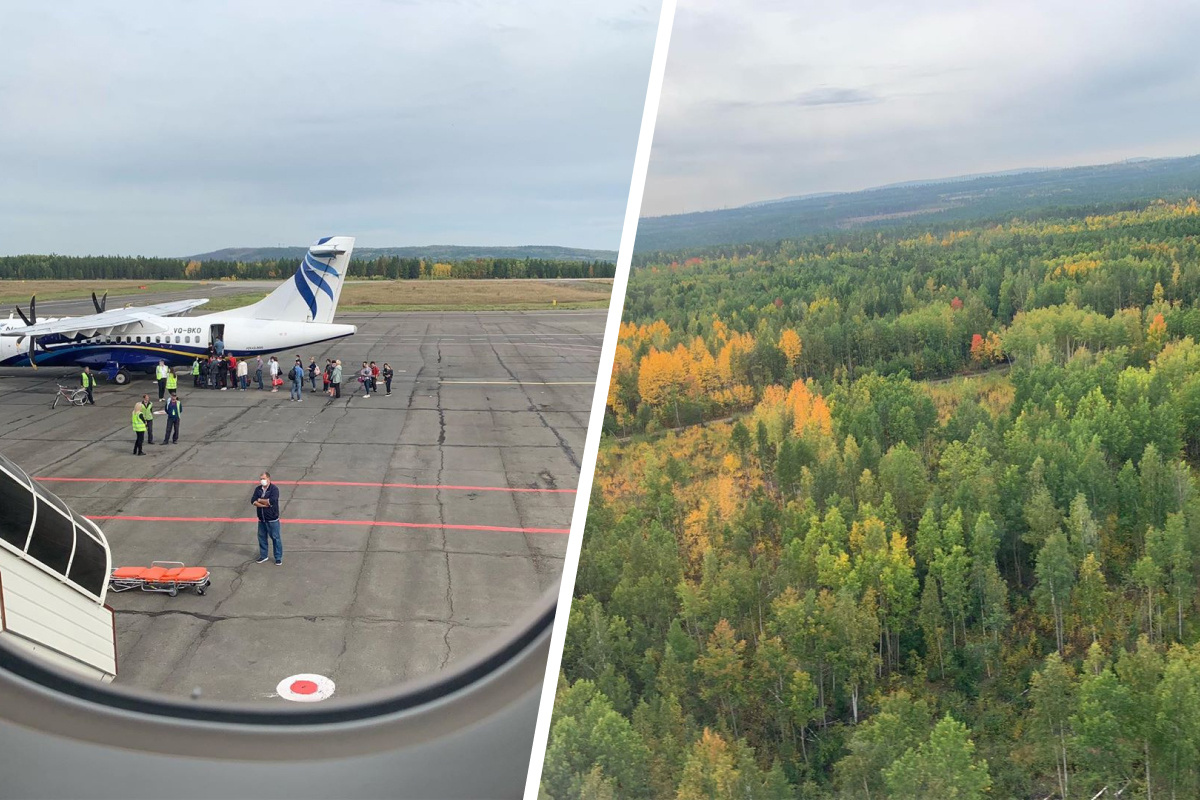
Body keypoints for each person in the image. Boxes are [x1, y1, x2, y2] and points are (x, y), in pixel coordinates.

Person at [250, 471, 282, 565]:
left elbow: (271, 501)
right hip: (262, 519)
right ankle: (264, 556)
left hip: (272, 519)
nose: (262, 481)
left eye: (263, 479)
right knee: (262, 538)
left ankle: (278, 557)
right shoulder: (258, 489)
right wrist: (262, 504)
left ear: (268, 479)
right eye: (261, 479)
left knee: (276, 538)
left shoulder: (274, 489)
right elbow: (253, 501)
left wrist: (259, 500)